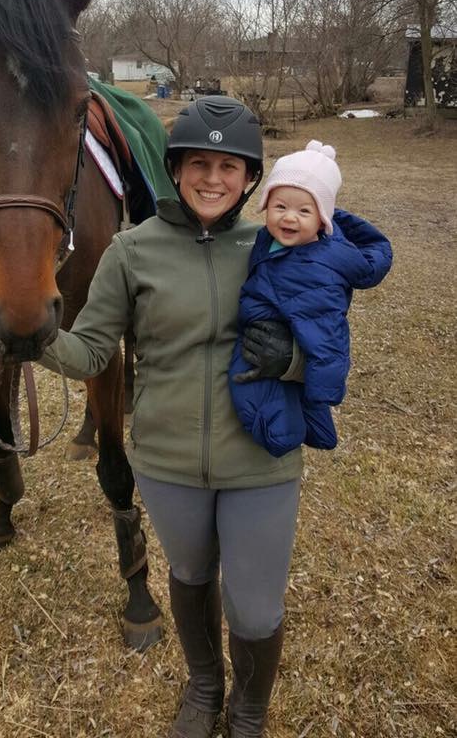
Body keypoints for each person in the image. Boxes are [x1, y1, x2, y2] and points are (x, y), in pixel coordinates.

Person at [38, 98, 368, 738]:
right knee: (189, 576)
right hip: (167, 460)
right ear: (176, 169)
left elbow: (328, 342)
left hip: (261, 458)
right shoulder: (132, 251)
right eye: (197, 163)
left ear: (251, 180)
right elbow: (92, 351)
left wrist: (292, 360)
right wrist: (38, 337)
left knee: (254, 604)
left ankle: (247, 708)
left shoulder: (281, 247)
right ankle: (204, 685)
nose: (212, 179)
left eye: (229, 166)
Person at [229, 140, 393, 460]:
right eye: (280, 207)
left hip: (272, 339)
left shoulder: (316, 266)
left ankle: (286, 435)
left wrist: (323, 389)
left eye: (304, 211)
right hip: (267, 326)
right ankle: (313, 425)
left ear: (322, 219)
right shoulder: (269, 239)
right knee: (281, 395)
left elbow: (326, 332)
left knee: (250, 392)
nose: (289, 218)